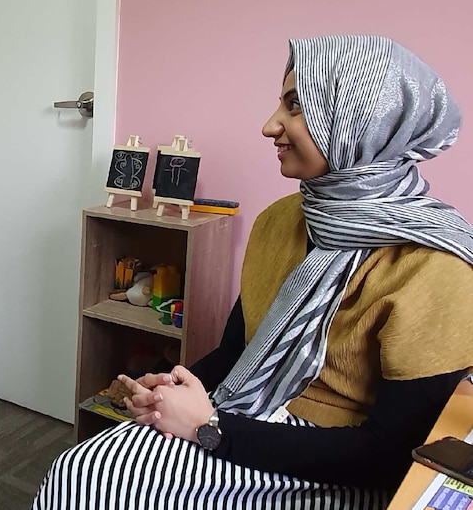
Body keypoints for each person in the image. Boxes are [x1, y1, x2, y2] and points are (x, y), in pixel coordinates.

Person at [32, 35, 473, 509]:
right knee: (85, 467)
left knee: (97, 480)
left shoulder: (437, 267)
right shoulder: (280, 221)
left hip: (338, 459)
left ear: (361, 121)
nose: (269, 126)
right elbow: (235, 353)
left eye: (296, 106)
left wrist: (211, 430)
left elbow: (391, 455)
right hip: (246, 415)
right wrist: (171, 389)